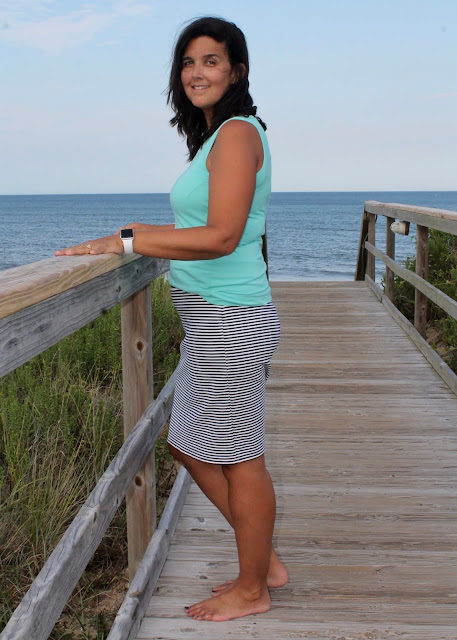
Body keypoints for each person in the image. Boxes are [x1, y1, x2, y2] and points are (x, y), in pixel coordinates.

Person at [55, 16, 287, 622]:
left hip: (230, 318)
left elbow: (220, 236)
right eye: (188, 63)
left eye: (211, 61)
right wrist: (121, 237)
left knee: (239, 453)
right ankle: (261, 557)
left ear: (236, 70)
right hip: (213, 318)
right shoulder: (216, 138)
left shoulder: (237, 133)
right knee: (187, 442)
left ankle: (253, 587)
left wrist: (131, 242)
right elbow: (195, 230)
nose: (196, 73)